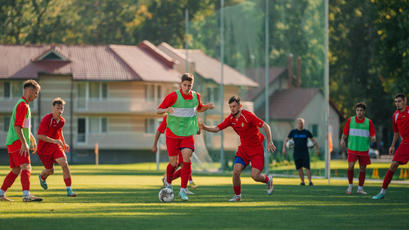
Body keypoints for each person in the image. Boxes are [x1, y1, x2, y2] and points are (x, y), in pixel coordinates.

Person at [200, 96, 276, 202]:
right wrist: (204, 127)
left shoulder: (248, 115)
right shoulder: (230, 119)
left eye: (234, 106)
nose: (232, 109)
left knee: (254, 176)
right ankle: (237, 196)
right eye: (230, 107)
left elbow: (265, 126)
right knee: (236, 171)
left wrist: (269, 141)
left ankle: (268, 180)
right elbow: (217, 128)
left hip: (256, 150)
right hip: (243, 150)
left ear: (240, 106)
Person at [157, 73, 214, 201]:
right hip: (172, 134)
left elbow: (199, 108)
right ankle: (169, 184)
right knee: (173, 163)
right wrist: (167, 109)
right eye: (185, 85)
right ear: (181, 84)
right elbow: (158, 110)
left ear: (192, 85)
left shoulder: (195, 96)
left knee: (187, 159)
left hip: (187, 134)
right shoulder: (173, 96)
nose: (187, 88)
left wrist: (207, 107)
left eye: (189, 85)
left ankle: (183, 190)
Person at [0, 80, 42, 202]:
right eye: (36, 92)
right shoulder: (23, 105)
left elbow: (24, 126)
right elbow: (17, 127)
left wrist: (32, 139)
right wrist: (24, 143)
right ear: (29, 90)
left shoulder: (22, 104)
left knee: (16, 170)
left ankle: (1, 193)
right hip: (18, 142)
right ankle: (26, 195)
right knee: (26, 167)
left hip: (12, 142)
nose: (36, 95)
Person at [37, 97, 76, 197]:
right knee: (50, 171)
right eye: (58, 108)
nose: (60, 111)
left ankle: (69, 190)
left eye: (61, 109)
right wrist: (55, 141)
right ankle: (42, 177)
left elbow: (59, 131)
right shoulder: (47, 119)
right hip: (43, 149)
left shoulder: (62, 121)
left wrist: (63, 142)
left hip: (55, 147)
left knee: (64, 163)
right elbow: (40, 136)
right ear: (53, 108)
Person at [373, 93, 409, 200]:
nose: (397, 104)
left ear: (405, 101)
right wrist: (392, 145)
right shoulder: (395, 115)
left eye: (399, 101)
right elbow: (396, 133)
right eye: (396, 102)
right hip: (404, 144)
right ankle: (382, 192)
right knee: (393, 166)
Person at [151, 114, 198, 194]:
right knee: (177, 164)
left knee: (186, 165)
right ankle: (170, 180)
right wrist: (154, 144)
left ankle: (182, 186)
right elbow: (159, 130)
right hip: (175, 143)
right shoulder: (168, 117)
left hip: (184, 143)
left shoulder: (187, 114)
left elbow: (195, 129)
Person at [340, 102, 376, 195]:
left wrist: (373, 138)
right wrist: (342, 140)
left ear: (364, 112)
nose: (359, 112)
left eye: (361, 110)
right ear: (355, 111)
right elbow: (345, 132)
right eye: (357, 110)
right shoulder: (350, 120)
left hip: (363, 150)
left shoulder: (369, 122)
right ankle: (350, 185)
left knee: (362, 169)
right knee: (350, 166)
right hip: (352, 148)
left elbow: (373, 135)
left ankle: (360, 188)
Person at [282, 118, 319, 186]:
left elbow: (314, 141)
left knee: (307, 167)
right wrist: (284, 148)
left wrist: (317, 149)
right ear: (297, 124)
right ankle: (302, 182)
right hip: (296, 153)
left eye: (301, 123)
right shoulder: (293, 132)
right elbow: (286, 140)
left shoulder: (306, 132)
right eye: (299, 123)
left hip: (305, 153)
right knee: (299, 168)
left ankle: (310, 182)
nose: (300, 124)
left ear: (303, 124)